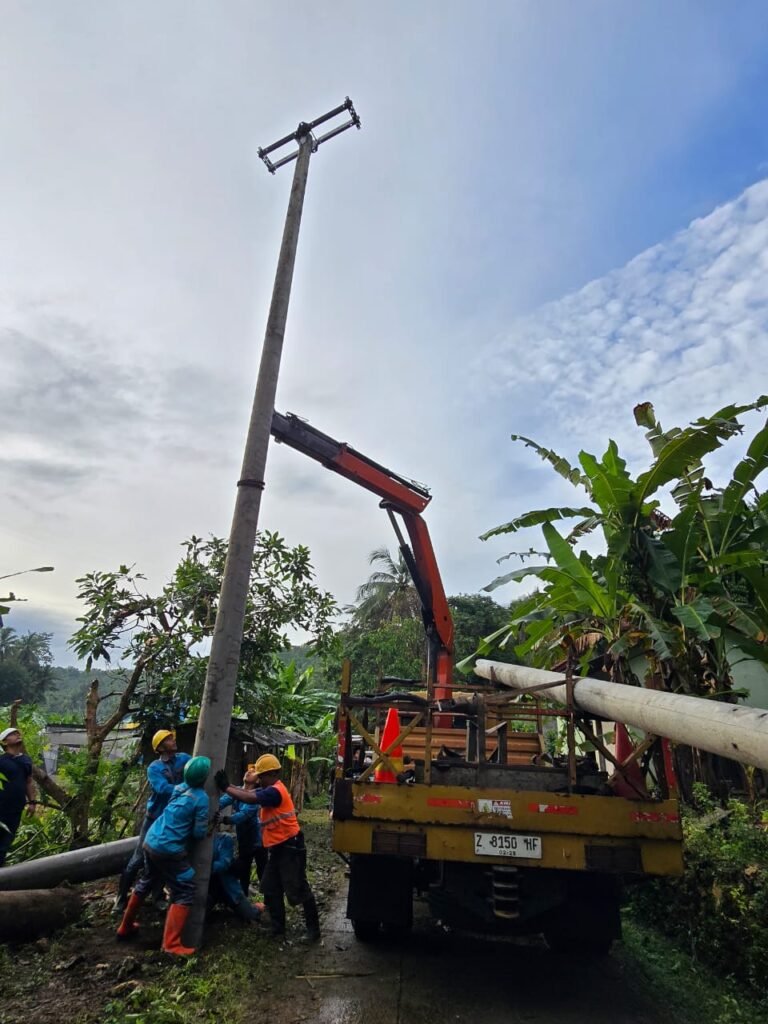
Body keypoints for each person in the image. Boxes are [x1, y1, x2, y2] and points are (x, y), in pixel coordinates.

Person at [215, 753, 320, 942]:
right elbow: (249, 794)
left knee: (298, 888)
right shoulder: (269, 790)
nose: (259, 780)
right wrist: (229, 789)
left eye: (261, 776)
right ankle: (278, 930)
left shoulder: (274, 791)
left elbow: (250, 799)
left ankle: (313, 931)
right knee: (271, 887)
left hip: (290, 847)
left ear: (271, 774)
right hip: (278, 848)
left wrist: (226, 787)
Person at [116, 755, 211, 957]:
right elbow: (198, 833)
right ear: (204, 777)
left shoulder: (178, 789)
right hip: (169, 849)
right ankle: (171, 944)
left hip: (151, 840)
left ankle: (125, 926)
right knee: (185, 890)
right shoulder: (201, 799)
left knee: (146, 881)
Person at [114, 729, 191, 911]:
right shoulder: (154, 768)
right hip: (155, 818)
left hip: (172, 819)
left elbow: (197, 768)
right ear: (161, 747)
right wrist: (185, 787)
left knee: (165, 857)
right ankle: (120, 898)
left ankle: (158, 897)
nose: (173, 740)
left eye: (172, 737)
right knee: (139, 858)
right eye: (169, 739)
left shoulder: (184, 759)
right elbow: (162, 789)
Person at [218, 763, 267, 894]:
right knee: (244, 870)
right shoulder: (238, 790)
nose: (248, 772)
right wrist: (213, 807)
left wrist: (224, 819)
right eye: (248, 771)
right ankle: (244, 896)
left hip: (257, 840)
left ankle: (268, 900)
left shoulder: (255, 796)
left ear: (257, 780)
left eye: (253, 772)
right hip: (244, 838)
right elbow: (223, 801)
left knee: (263, 871)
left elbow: (243, 815)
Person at [209, 831, 265, 922]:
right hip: (207, 888)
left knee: (249, 914)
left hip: (227, 885)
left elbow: (223, 864)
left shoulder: (224, 839)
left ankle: (257, 907)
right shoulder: (193, 839)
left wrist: (205, 867)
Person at [0, 727, 36, 867]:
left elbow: (28, 781)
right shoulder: (1, 761)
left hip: (15, 809)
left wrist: (32, 802)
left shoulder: (26, 760)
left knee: (6, 841)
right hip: (1, 807)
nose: (17, 735)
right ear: (4, 742)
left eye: (17, 733)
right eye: (12, 734)